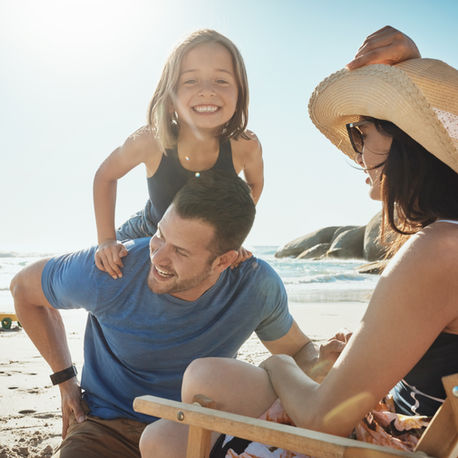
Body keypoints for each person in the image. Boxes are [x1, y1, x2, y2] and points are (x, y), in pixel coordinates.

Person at [139, 31, 458, 457]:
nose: (358, 154)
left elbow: (323, 419)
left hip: (389, 446)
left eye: (361, 135)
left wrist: (279, 362)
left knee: (174, 421)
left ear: (406, 143)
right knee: (195, 391)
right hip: (410, 424)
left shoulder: (436, 250)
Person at [10, 172, 343, 458]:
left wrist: (322, 363)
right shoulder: (111, 270)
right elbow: (23, 290)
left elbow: (297, 351)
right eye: (160, 235)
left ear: (224, 260)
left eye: (180, 251)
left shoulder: (255, 286)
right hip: (103, 426)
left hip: (196, 427)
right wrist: (65, 380)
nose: (159, 257)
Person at [93, 29, 263, 280]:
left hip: (201, 242)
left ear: (239, 93)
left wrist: (231, 237)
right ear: (170, 96)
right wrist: (106, 241)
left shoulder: (245, 145)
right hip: (147, 230)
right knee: (106, 275)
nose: (207, 91)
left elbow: (254, 183)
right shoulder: (151, 141)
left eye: (221, 81)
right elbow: (105, 176)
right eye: (191, 81)